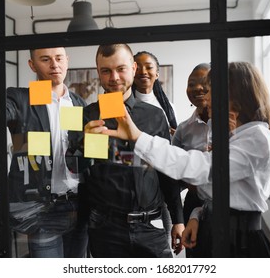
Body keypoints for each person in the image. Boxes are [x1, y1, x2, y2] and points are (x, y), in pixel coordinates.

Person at [86, 61, 270, 257]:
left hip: (238, 241)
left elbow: (198, 169)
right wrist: (197, 216)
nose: (206, 96)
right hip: (208, 229)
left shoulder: (257, 138)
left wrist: (137, 137)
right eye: (106, 70)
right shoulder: (90, 113)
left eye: (211, 89)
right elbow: (216, 193)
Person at [0, 48, 89, 258]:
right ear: (32, 65)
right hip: (42, 208)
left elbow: (81, 151)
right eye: (45, 59)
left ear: (67, 60)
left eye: (59, 58)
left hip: (78, 205)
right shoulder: (21, 98)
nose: (54, 64)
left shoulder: (78, 103)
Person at [66, 44, 184, 257]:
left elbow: (167, 171)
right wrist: (84, 145)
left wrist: (178, 219)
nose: (114, 77)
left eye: (121, 69)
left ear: (133, 67)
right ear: (98, 72)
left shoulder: (156, 115)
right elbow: (74, 170)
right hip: (105, 229)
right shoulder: (84, 115)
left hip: (151, 226)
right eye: (106, 71)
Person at [132, 50, 180, 253]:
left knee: (161, 246)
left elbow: (173, 149)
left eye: (149, 67)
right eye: (138, 67)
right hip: (134, 181)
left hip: (160, 182)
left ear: (157, 73)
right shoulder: (124, 105)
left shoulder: (166, 107)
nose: (143, 71)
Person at [172, 63, 211, 257]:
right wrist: (189, 181)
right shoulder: (183, 129)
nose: (197, 88)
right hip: (194, 200)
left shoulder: (233, 123)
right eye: (191, 83)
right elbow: (173, 168)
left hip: (227, 203)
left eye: (203, 82)